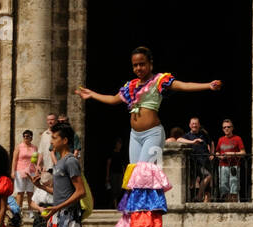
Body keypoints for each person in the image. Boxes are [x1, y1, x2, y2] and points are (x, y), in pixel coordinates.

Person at [76, 46, 221, 164]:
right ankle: (140, 201)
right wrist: (92, 95)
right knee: (135, 174)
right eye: (135, 65)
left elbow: (184, 85)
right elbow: (113, 100)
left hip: (153, 134)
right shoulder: (131, 86)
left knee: (145, 174)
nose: (138, 68)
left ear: (150, 64)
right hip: (134, 135)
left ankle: (152, 201)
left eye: (142, 64)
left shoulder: (159, 80)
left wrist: (208, 85)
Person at [181, 116, 214, 202]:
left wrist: (212, 154)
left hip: (205, 161)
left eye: (196, 123)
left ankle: (200, 198)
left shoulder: (204, 134)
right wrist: (192, 142)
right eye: (192, 123)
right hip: (195, 162)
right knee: (199, 179)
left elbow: (211, 142)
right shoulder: (188, 135)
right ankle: (197, 197)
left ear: (199, 125)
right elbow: (179, 139)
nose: (194, 125)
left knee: (207, 181)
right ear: (189, 125)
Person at [215, 119, 245, 203]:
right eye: (224, 127)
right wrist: (219, 156)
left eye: (228, 127)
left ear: (232, 128)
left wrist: (231, 153)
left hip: (234, 166)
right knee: (223, 186)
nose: (226, 129)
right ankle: (227, 205)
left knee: (234, 186)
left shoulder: (237, 138)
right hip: (223, 165)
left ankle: (234, 205)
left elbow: (243, 152)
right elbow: (217, 151)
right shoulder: (220, 139)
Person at [13, 129, 38, 209]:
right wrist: (12, 172)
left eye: (27, 136)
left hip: (31, 171)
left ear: (31, 137)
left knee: (30, 192)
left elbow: (36, 160)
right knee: (20, 192)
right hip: (20, 170)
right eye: (24, 136)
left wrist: (38, 170)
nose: (25, 138)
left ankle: (31, 212)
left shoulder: (34, 147)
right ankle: (18, 211)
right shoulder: (19, 147)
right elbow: (14, 159)